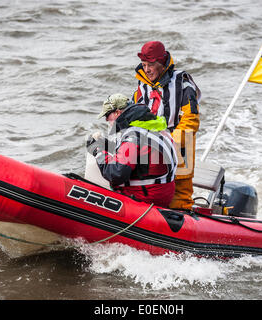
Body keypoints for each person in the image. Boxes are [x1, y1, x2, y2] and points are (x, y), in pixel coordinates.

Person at [132, 41, 201, 210]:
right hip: (150, 149)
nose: (147, 70)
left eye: (151, 65)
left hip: (179, 148)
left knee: (179, 200)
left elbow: (191, 120)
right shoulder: (142, 85)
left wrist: (168, 143)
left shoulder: (183, 83)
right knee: (147, 193)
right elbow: (134, 116)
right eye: (144, 65)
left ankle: (183, 216)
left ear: (162, 64)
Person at [86, 93, 177, 208]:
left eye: (107, 115)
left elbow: (116, 173)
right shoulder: (149, 125)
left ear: (117, 113)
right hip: (163, 193)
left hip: (146, 199)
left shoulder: (133, 136)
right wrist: (105, 145)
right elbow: (138, 151)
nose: (106, 120)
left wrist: (97, 150)